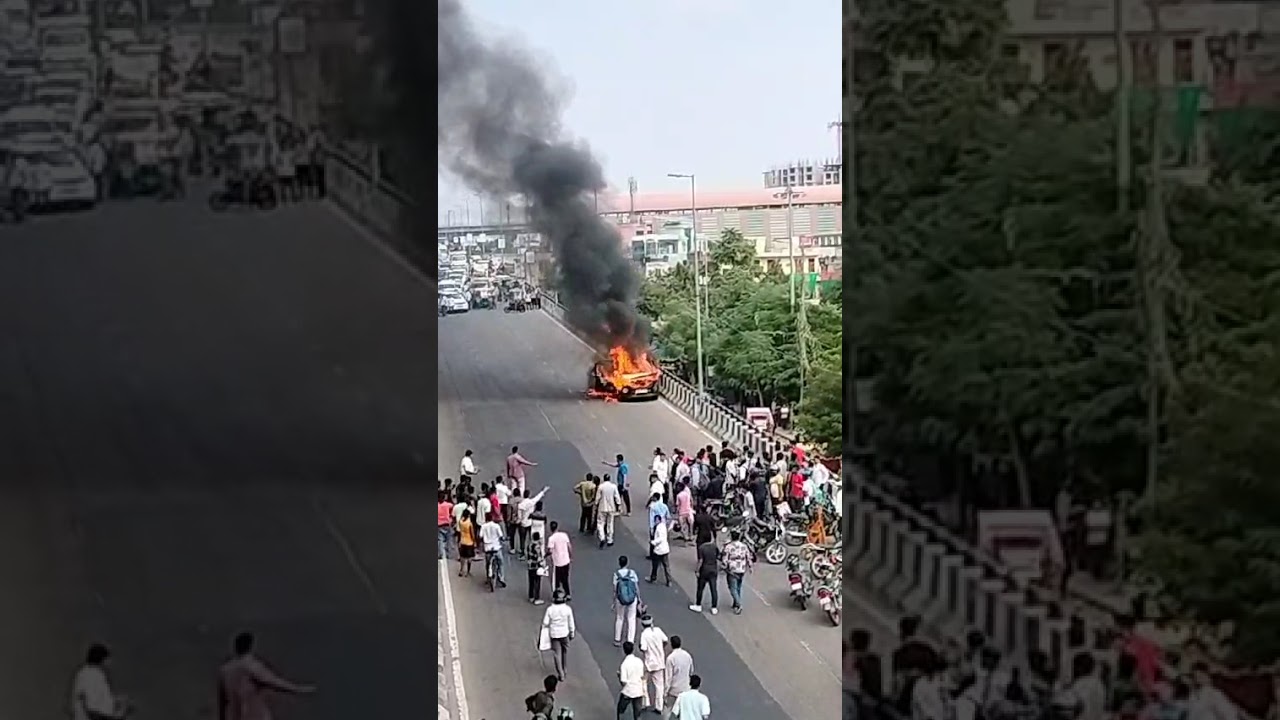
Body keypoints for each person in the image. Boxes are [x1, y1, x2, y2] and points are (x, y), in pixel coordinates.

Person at [217, 632, 315, 720]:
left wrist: (222, 717)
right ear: (250, 646)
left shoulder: (225, 669)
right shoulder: (251, 665)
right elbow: (274, 682)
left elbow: (222, 700)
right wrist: (298, 689)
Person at [70, 643, 130, 720]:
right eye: (108, 658)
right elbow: (92, 708)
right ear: (102, 659)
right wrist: (119, 715)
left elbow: (96, 700)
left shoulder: (87, 673)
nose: (110, 662)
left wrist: (117, 701)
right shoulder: (92, 675)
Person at [541, 590, 575, 681]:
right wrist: (572, 633)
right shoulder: (567, 609)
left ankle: (561, 673)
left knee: (557, 654)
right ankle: (565, 669)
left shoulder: (550, 609)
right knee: (565, 651)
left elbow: (545, 622)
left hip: (554, 634)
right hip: (565, 634)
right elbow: (571, 623)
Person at [638, 615, 670, 714]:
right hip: (660, 662)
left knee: (643, 682)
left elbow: (643, 648)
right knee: (659, 685)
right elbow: (665, 640)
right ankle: (659, 706)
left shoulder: (644, 634)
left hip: (649, 663)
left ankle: (645, 702)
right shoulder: (658, 630)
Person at [721, 529, 753, 614]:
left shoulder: (728, 547)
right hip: (742, 569)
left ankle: (738, 604)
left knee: (732, 588)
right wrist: (750, 567)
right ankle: (735, 603)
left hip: (732, 570)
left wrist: (724, 567)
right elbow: (748, 557)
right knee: (738, 587)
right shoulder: (744, 546)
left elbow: (725, 559)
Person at [612, 555, 641, 645]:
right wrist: (639, 599)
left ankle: (617, 639)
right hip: (632, 598)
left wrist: (614, 601)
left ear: (619, 563)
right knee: (631, 618)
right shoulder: (632, 573)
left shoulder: (616, 574)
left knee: (619, 617)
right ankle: (630, 640)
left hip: (620, 598)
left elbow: (615, 589)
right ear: (627, 563)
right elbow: (636, 587)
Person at [516, 486, 551, 559]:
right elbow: (537, 497)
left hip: (523, 524)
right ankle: (531, 551)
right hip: (530, 523)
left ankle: (522, 554)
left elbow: (519, 516)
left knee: (522, 539)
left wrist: (519, 521)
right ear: (528, 495)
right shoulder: (531, 502)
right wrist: (543, 491)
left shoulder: (520, 505)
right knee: (531, 539)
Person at [689, 536, 721, 614]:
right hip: (713, 569)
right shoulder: (714, 546)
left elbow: (700, 560)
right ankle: (714, 607)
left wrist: (697, 570)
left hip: (704, 570)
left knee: (700, 588)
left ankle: (698, 605)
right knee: (713, 589)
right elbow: (718, 556)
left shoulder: (702, 548)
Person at [617, 641, 645, 720]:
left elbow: (623, 682)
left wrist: (619, 676)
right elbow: (642, 676)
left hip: (628, 691)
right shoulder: (639, 661)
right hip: (638, 690)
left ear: (624, 650)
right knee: (637, 714)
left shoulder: (624, 664)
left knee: (621, 710)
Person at [665, 635, 694, 710]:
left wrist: (665, 692)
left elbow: (668, 678)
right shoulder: (687, 655)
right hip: (685, 689)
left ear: (671, 645)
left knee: (669, 710)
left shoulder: (670, 658)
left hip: (674, 691)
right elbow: (691, 671)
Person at [479, 511, 507, 588]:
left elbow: (480, 536)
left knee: (488, 564)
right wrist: (503, 539)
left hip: (487, 548)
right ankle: (501, 578)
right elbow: (501, 536)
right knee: (501, 563)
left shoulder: (483, 526)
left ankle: (488, 578)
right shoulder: (496, 526)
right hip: (496, 547)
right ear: (492, 518)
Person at [547, 521, 573, 598]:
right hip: (566, 560)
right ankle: (567, 593)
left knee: (556, 580)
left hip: (557, 562)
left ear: (550, 528)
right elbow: (569, 546)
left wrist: (546, 556)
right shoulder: (564, 535)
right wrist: (570, 556)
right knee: (565, 578)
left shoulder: (551, 539)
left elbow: (550, 551)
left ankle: (557, 595)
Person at [596, 473, 622, 548]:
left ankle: (602, 537)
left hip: (602, 507)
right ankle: (610, 540)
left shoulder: (601, 486)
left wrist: (596, 504)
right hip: (611, 508)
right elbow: (617, 497)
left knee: (600, 523)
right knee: (610, 524)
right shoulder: (613, 486)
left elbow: (597, 498)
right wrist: (619, 505)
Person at [648, 517, 672, 586]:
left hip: (659, 550)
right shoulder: (663, 526)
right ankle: (669, 580)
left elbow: (660, 539)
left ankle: (653, 578)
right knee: (666, 566)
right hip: (665, 549)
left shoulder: (659, 528)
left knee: (655, 565)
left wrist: (653, 542)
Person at [528, 526, 548, 605]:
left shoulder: (530, 545)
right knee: (537, 582)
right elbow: (538, 557)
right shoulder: (537, 546)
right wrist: (543, 563)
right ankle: (536, 598)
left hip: (530, 565)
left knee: (531, 582)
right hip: (536, 566)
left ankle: (531, 596)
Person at [456, 509, 478, 577]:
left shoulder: (460, 522)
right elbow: (472, 534)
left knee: (462, 557)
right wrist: (474, 541)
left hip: (462, 541)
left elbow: (460, 531)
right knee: (469, 558)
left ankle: (461, 570)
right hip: (469, 542)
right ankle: (468, 572)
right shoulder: (469, 524)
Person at [437, 490, 455, 560]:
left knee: (440, 540)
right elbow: (453, 505)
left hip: (439, 524)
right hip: (447, 523)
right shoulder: (447, 504)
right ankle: (448, 554)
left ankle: (441, 554)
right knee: (449, 539)